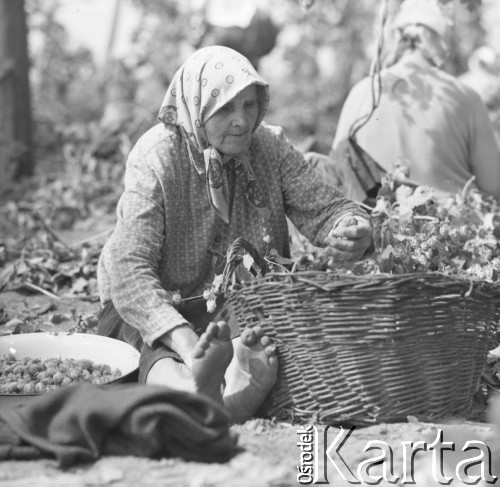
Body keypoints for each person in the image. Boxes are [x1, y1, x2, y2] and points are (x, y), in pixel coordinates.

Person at [96, 45, 373, 424]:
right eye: (225, 108)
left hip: (236, 304)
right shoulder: (157, 157)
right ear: (196, 107)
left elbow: (325, 209)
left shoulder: (269, 147)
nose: (242, 121)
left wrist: (350, 228)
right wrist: (184, 340)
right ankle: (189, 387)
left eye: (249, 105)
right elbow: (130, 270)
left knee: (258, 339)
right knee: (148, 340)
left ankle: (235, 387)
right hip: (158, 304)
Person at [330, 0, 500, 203]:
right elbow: (494, 188)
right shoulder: (465, 97)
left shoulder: (361, 91)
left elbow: (336, 173)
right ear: (442, 44)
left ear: (397, 38)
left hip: (372, 223)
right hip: (451, 229)